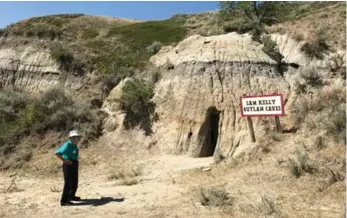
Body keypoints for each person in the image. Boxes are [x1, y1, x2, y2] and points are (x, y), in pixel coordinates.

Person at [56, 130, 82, 206]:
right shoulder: (67, 145)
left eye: (76, 137)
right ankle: (64, 201)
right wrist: (65, 161)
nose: (75, 139)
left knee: (75, 182)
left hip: (74, 163)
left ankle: (71, 196)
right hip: (68, 165)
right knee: (68, 183)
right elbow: (57, 153)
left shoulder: (74, 145)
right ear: (70, 138)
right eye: (73, 137)